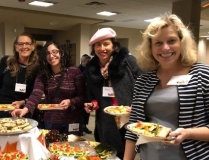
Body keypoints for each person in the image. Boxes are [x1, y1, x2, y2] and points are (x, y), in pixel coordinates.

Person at [124, 13, 209, 160]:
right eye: (158, 43)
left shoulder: (202, 75)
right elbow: (133, 129)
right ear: (150, 47)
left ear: (182, 42)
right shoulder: (144, 80)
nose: (165, 48)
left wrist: (188, 133)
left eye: (171, 41)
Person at [84, 27, 143, 159]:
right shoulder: (92, 68)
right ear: (93, 48)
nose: (102, 48)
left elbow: (145, 84)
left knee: (127, 154)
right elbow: (92, 95)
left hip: (129, 116)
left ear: (114, 45)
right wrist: (92, 104)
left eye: (106, 44)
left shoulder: (127, 61)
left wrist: (137, 104)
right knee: (108, 153)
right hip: (106, 120)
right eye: (98, 45)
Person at [11, 41, 86, 136]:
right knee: (51, 148)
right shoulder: (43, 74)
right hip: (51, 121)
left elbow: (82, 96)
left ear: (61, 53)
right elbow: (36, 94)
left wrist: (71, 101)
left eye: (55, 52)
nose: (51, 56)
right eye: (48, 53)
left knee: (72, 148)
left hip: (73, 120)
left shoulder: (74, 72)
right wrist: (25, 109)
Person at [0, 32, 39, 120]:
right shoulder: (6, 61)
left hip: (21, 110)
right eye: (20, 44)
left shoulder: (37, 68)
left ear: (33, 47)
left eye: (27, 43)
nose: (24, 47)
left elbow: (35, 94)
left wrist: (22, 102)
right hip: (1, 108)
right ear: (16, 47)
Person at [78, 54, 92, 134]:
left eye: (89, 61)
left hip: (88, 93)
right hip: (81, 93)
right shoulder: (78, 69)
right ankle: (80, 127)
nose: (88, 62)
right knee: (81, 111)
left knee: (88, 111)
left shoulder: (90, 69)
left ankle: (85, 126)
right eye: (87, 61)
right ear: (83, 61)